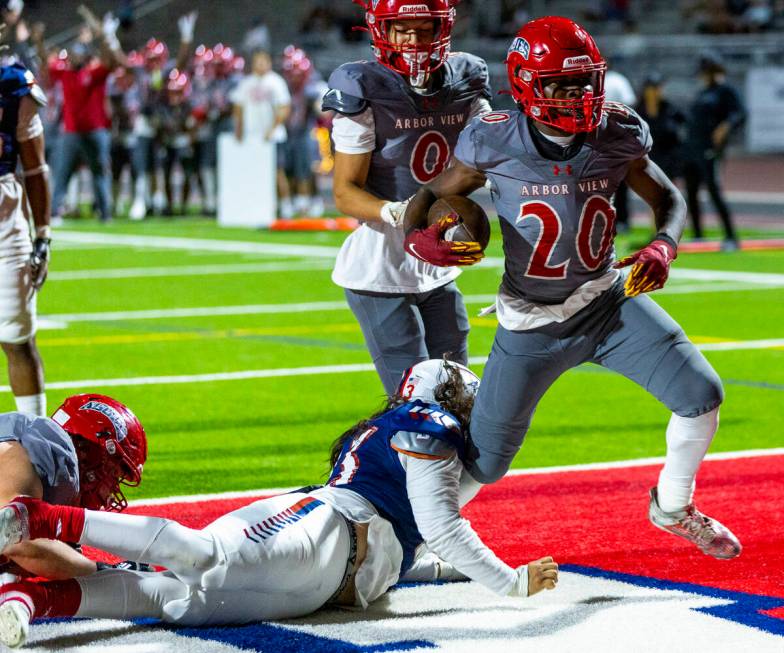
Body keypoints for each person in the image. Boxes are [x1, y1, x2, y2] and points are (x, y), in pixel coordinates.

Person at [403, 17, 740, 560]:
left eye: (585, 82)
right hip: (531, 321)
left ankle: (673, 506)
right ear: (525, 84)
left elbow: (669, 201)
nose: (578, 96)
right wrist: (418, 239)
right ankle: (409, 534)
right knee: (486, 463)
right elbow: (431, 194)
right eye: (561, 84)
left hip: (607, 303)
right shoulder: (492, 138)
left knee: (702, 396)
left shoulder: (616, 131)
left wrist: (663, 246)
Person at [0, 360, 558, 647]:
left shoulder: (404, 437)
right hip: (327, 524)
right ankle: (39, 518)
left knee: (173, 599)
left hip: (336, 577)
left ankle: (25, 599)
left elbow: (412, 542)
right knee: (203, 555)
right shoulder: (427, 424)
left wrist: (450, 573)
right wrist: (508, 582)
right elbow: (440, 523)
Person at [323, 0, 492, 396]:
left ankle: (454, 461)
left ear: (442, 29)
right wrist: (401, 212)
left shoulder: (464, 82)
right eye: (402, 29)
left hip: (438, 264)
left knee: (460, 391)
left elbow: (489, 154)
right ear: (382, 31)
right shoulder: (363, 89)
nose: (414, 40)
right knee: (418, 399)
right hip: (381, 266)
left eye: (424, 29)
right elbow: (345, 192)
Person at [0, 394, 147, 584]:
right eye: (114, 473)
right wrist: (103, 572)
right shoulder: (46, 443)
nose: (110, 492)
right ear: (90, 453)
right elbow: (13, 536)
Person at [35, 6, 123, 224]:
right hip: (72, 131)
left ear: (84, 57)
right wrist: (38, 41)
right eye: (72, 54)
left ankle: (105, 213)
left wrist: (104, 37)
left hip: (95, 131)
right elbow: (46, 62)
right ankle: (55, 212)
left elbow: (110, 62)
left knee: (100, 173)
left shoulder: (92, 73)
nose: (73, 57)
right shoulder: (65, 74)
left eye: (77, 54)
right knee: (62, 173)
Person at [0, 55, 50, 417]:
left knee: (17, 338)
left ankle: (37, 446)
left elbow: (35, 167)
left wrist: (43, 235)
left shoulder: (13, 83)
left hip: (5, 225)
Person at [682, 53, 745, 250]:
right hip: (692, 148)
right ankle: (698, 234)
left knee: (714, 191)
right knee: (691, 192)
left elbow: (740, 113)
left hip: (710, 149)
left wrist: (725, 126)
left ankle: (731, 237)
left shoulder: (726, 91)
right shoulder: (703, 93)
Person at [230, 49, 292, 218]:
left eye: (263, 61)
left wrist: (272, 129)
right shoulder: (246, 83)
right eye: (257, 61)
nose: (260, 64)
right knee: (254, 172)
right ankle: (258, 204)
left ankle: (285, 205)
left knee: (278, 171)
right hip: (252, 137)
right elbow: (238, 107)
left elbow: (284, 108)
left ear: (269, 62)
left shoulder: (276, 82)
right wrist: (239, 130)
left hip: (273, 136)